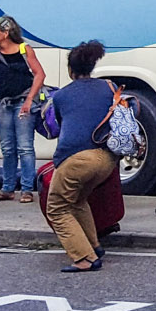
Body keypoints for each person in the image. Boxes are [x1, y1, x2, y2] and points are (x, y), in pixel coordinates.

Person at [45, 41, 117, 272]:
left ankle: (83, 258)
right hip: (107, 159)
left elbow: (58, 127)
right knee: (77, 201)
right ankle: (94, 246)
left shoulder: (62, 96)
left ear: (70, 70)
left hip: (77, 160)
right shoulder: (109, 86)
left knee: (57, 207)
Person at [0, 15, 47, 205]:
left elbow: (39, 74)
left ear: (6, 32)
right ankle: (7, 188)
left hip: (22, 102)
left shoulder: (24, 50)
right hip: (3, 103)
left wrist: (29, 100)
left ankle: (27, 189)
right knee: (7, 148)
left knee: (25, 147)